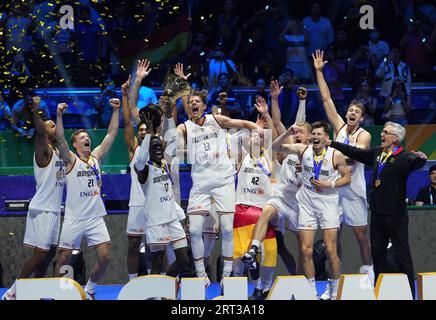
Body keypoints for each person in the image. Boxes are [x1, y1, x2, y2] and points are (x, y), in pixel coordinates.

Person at [172, 89, 263, 288]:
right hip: (201, 185)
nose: (194, 104)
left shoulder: (216, 119)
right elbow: (177, 140)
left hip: (224, 181)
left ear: (204, 106)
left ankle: (227, 276)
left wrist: (255, 127)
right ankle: (200, 275)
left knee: (227, 229)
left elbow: (242, 124)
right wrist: (178, 142)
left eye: (197, 101)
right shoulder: (185, 126)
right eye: (191, 102)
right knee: (195, 230)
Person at [327, 122, 428, 298]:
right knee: (377, 255)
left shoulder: (404, 157)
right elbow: (355, 152)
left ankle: (411, 294)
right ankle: (379, 292)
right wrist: (332, 143)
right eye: (382, 131)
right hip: (377, 214)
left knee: (403, 255)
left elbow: (417, 162)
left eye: (385, 132)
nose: (381, 134)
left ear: (395, 138)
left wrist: (422, 158)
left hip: (396, 216)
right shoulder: (376, 154)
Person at [313, 49, 374, 297]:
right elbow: (327, 99)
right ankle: (333, 283)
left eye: (356, 112)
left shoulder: (365, 135)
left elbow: (352, 155)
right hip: (333, 190)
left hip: (353, 190)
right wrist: (319, 71)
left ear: (361, 118)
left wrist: (332, 147)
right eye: (349, 109)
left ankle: (369, 273)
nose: (350, 112)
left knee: (360, 235)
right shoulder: (338, 127)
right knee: (332, 238)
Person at [272, 121, 351, 300]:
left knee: (331, 250)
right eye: (313, 134)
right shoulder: (302, 149)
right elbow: (273, 147)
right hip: (306, 204)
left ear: (326, 138)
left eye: (319, 134)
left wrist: (329, 184)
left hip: (328, 204)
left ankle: (334, 290)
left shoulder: (335, 155)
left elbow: (347, 178)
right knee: (306, 250)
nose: (315, 137)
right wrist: (287, 133)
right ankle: (311, 293)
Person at [53, 95, 120, 300]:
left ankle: (89, 289)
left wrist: (116, 110)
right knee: (63, 257)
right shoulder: (71, 160)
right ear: (75, 145)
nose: (86, 139)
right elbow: (60, 139)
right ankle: (57, 293)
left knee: (106, 257)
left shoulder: (96, 156)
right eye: (81, 138)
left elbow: (111, 133)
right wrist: (59, 115)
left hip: (94, 217)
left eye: (86, 137)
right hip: (74, 217)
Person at [2, 96, 65, 300]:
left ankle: (38, 291)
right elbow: (39, 130)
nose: (54, 127)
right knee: (39, 255)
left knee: (48, 255)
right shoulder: (43, 150)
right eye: (51, 125)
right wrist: (37, 109)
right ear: (44, 131)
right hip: (42, 209)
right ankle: (13, 291)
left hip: (55, 210)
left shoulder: (58, 152)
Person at [133, 111, 190, 278]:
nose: (158, 149)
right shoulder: (144, 169)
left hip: (171, 217)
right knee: (158, 261)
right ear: (148, 150)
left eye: (159, 146)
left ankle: (166, 287)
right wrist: (149, 134)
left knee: (183, 259)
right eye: (154, 147)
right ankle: (155, 295)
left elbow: (169, 194)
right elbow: (141, 158)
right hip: (156, 220)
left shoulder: (165, 164)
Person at [233, 96, 278, 300]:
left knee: (269, 255)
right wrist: (253, 126)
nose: (257, 138)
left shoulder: (269, 157)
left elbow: (275, 138)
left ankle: (264, 289)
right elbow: (235, 137)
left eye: (261, 137)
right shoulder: (241, 156)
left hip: (264, 212)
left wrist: (267, 115)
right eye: (253, 136)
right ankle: (237, 288)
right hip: (242, 209)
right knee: (240, 256)